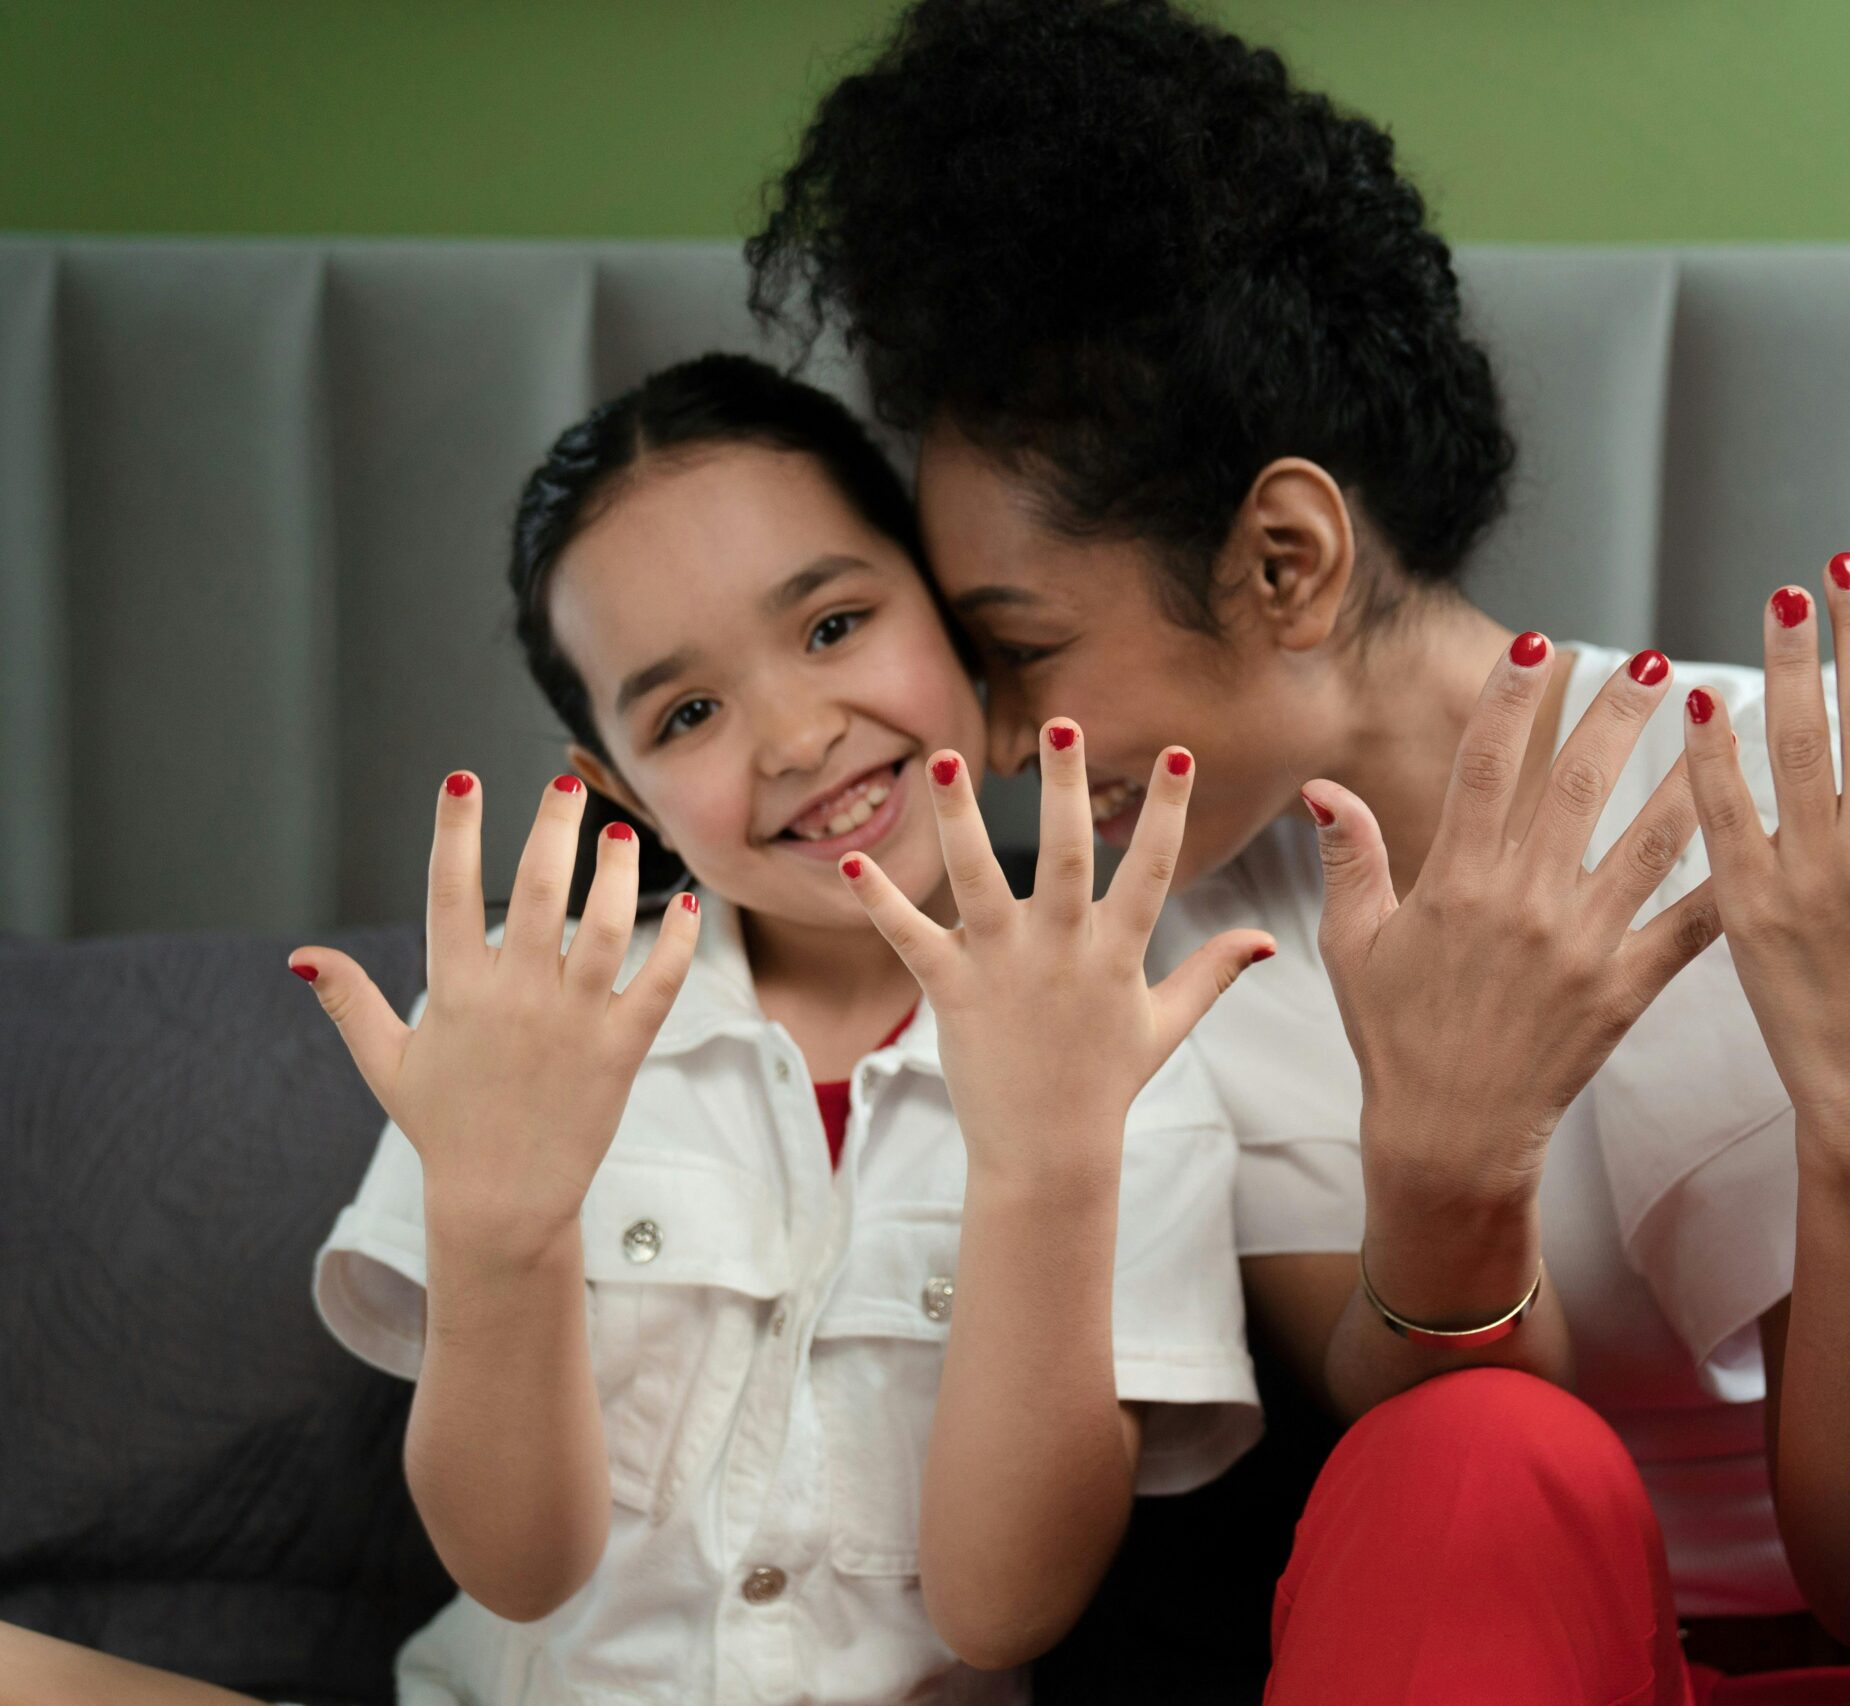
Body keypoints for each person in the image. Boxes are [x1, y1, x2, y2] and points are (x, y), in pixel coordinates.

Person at [748, 5, 1850, 1702]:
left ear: (1286, 559)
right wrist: (1451, 1162)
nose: (981, 735)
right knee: (1467, 1456)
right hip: (1572, 1660)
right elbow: (1468, 1499)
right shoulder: (1169, 956)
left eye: (1022, 645)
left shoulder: (1820, 800)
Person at [0, 353, 1271, 1706]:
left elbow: (1002, 1606)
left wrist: (1042, 1170)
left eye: (834, 626)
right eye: (689, 712)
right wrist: (505, 1231)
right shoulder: (519, 1021)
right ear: (627, 792)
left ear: (952, 618)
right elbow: (518, 1567)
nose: (793, 736)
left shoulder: (1122, 1050)